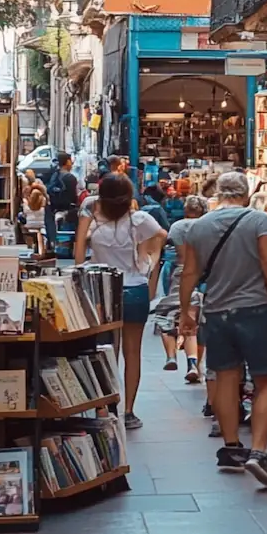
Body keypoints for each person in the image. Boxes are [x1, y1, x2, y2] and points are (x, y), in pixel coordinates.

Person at [178, 171, 267, 489]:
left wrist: (185, 310)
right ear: (246, 193)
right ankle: (259, 451)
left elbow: (190, 272)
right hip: (255, 310)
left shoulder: (198, 226)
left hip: (216, 312)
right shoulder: (259, 221)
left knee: (225, 377)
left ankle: (231, 448)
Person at [74, 173, 167, 430]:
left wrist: (79, 272)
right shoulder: (139, 219)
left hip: (101, 287)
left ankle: (106, 405)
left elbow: (79, 246)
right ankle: (129, 410)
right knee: (132, 351)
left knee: (105, 350)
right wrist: (150, 258)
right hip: (134, 288)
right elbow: (163, 234)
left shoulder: (92, 217)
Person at [150, 195, 207, 380]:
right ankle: (194, 365)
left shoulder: (177, 226)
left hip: (178, 273)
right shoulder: (208, 225)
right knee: (194, 322)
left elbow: (179, 254)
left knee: (166, 316)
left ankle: (171, 355)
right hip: (203, 275)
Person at [45, 153, 78, 252]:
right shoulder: (70, 178)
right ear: (67, 162)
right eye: (70, 161)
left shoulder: (54, 175)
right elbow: (73, 197)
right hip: (67, 210)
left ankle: (54, 244)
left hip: (53, 209)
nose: (72, 163)